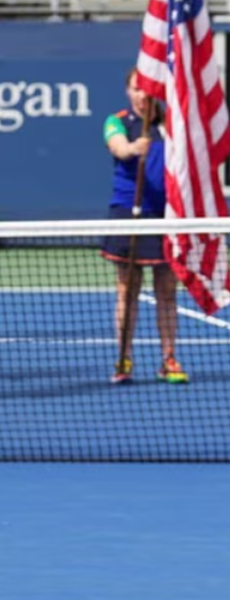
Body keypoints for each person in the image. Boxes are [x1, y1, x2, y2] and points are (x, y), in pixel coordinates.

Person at [102, 71, 187, 384]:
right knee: (128, 291)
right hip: (129, 213)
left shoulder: (172, 124)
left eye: (146, 88)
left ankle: (169, 358)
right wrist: (134, 148)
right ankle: (124, 358)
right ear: (128, 91)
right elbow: (118, 148)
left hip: (166, 216)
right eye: (136, 89)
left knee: (167, 292)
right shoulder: (117, 121)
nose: (141, 95)